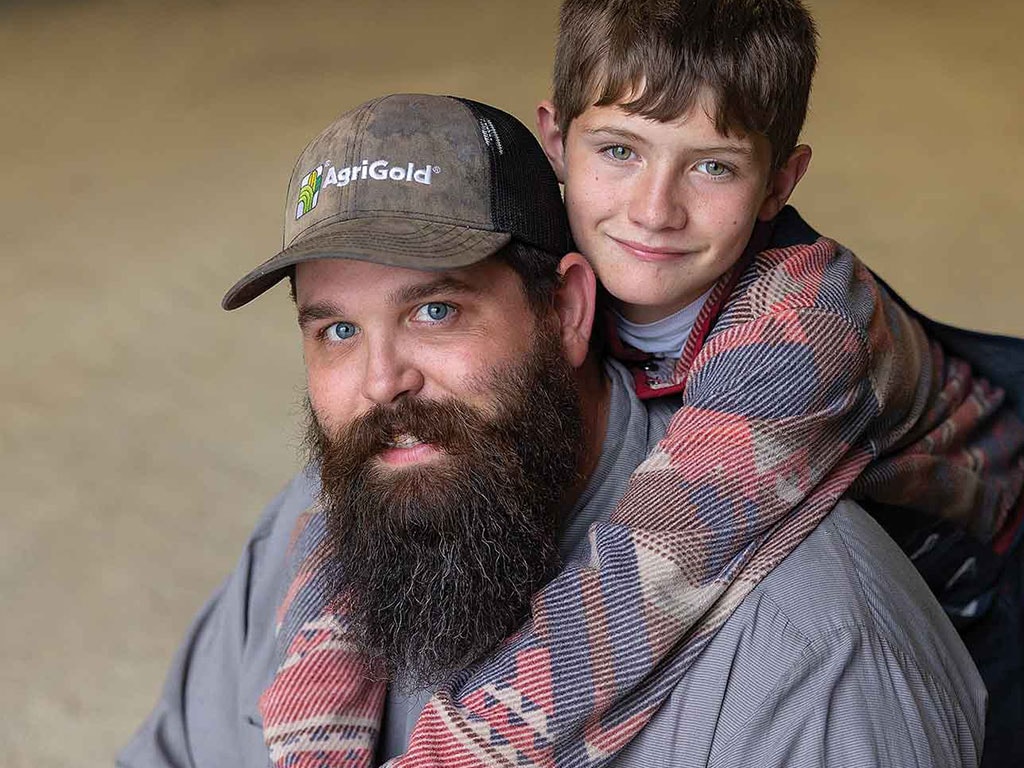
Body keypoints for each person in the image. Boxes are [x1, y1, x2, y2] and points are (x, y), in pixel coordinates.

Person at [119, 93, 985, 768]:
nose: (382, 383)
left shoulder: (816, 656)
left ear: (568, 310)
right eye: (336, 330)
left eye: (435, 309)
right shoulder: (316, 522)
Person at [531, 0, 1024, 762]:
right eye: (620, 151)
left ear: (779, 183)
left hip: (975, 585)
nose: (654, 210)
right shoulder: (535, 264)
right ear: (556, 142)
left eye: (713, 166)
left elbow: (636, 590)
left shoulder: (804, 326)